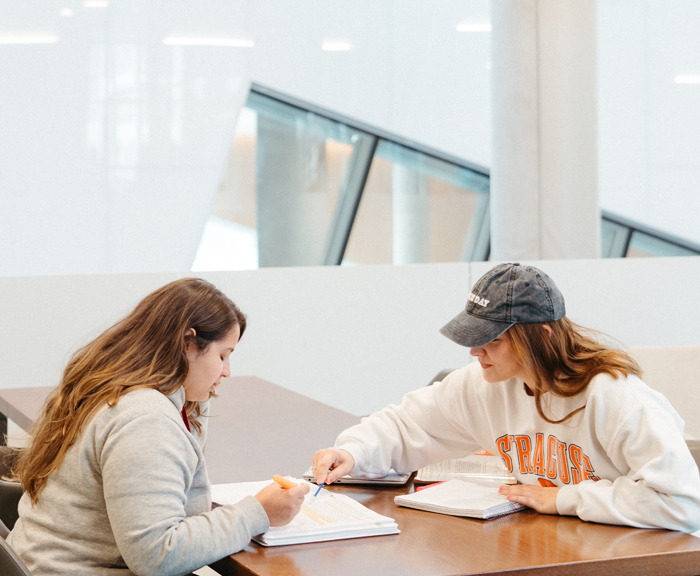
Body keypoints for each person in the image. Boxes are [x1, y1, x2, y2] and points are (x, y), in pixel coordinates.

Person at [313, 263, 700, 533]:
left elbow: (682, 503)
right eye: (472, 337)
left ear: (542, 336)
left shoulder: (616, 398)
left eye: (492, 340)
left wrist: (565, 498)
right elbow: (409, 424)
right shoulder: (484, 384)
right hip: (550, 545)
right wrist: (353, 451)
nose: (474, 352)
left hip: (629, 554)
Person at [8, 277, 309, 575]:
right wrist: (257, 513)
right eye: (222, 355)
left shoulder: (115, 389)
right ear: (188, 343)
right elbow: (157, 555)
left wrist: (196, 397)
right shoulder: (145, 419)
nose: (227, 371)